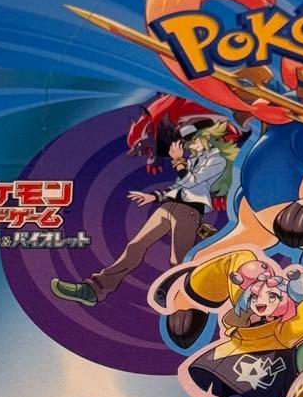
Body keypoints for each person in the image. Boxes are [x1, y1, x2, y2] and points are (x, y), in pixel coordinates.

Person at [51, 120, 237, 306]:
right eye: (187, 143)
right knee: (135, 246)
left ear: (206, 137)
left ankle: (182, 302)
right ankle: (95, 289)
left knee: (178, 260)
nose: (190, 146)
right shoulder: (193, 160)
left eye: (193, 141)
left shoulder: (217, 160)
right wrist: (153, 197)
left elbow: (192, 181)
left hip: (189, 211)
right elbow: (180, 187)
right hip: (170, 206)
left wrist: (178, 161)